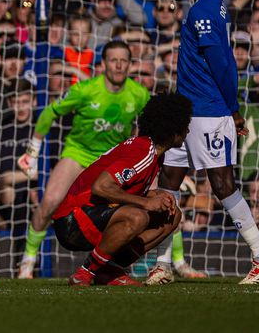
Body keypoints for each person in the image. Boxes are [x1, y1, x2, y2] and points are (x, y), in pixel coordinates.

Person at [155, 0, 259, 285]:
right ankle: (162, 263)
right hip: (189, 113)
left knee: (222, 184)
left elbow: (222, 64)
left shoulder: (202, 11)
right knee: (168, 178)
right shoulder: (219, 7)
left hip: (209, 112)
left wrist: (232, 108)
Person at [16, 40, 152, 279]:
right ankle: (27, 264)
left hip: (111, 162)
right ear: (103, 65)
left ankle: (171, 262)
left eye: (124, 61)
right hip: (78, 154)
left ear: (130, 65)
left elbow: (152, 127)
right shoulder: (84, 90)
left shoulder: (139, 94)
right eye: (113, 60)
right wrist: (32, 152)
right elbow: (49, 112)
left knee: (153, 200)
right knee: (50, 201)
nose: (119, 66)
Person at [52, 93, 191, 286]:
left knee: (172, 216)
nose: (188, 130)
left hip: (94, 214)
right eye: (186, 124)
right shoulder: (143, 151)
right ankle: (85, 273)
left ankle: (109, 271)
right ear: (173, 128)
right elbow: (101, 187)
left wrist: (157, 196)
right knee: (137, 216)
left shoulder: (154, 154)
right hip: (72, 220)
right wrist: (147, 201)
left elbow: (125, 191)